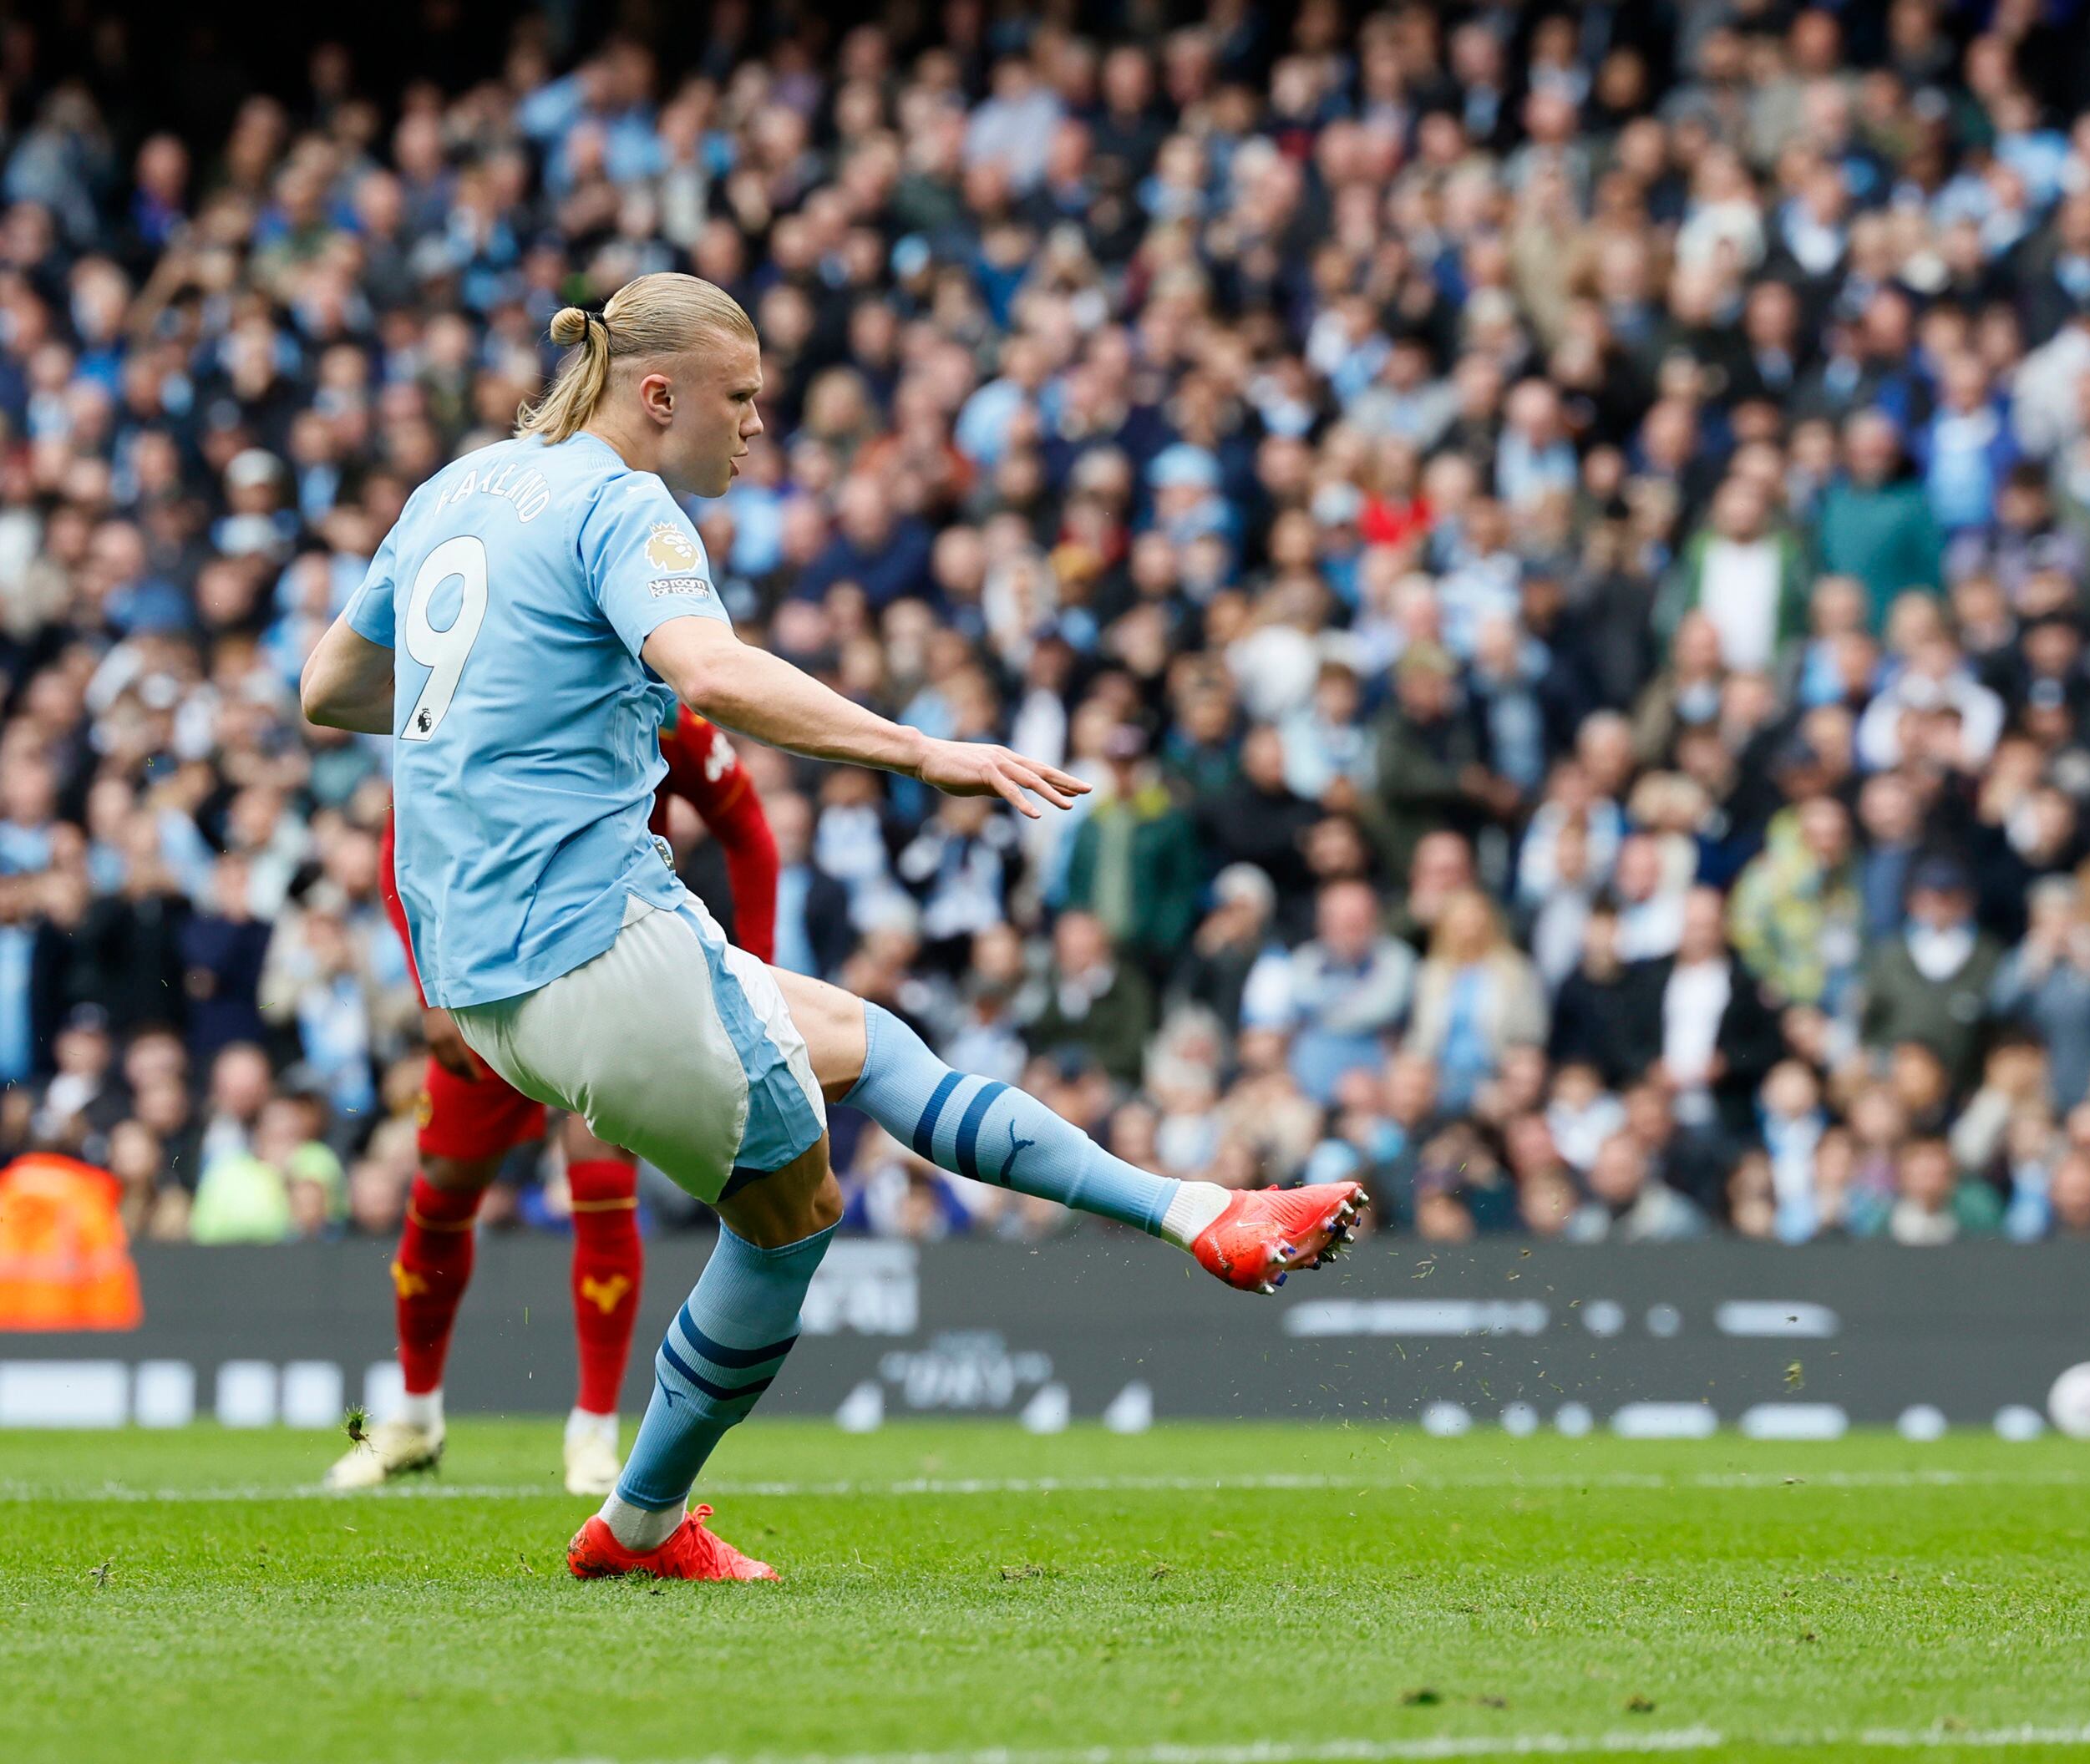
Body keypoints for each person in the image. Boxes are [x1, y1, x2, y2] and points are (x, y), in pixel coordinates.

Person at [299, 275, 1366, 1584]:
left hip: (482, 977)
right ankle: (637, 1526)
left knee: (875, 1048)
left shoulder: (456, 488)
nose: (755, 426)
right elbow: (714, 673)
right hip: (591, 943)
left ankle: (1204, 1212)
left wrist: (482, 720)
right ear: (657, 394)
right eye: (740, 399)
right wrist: (922, 750)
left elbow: (331, 687)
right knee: (794, 1220)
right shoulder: (625, 504)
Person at [327, 701, 779, 1498]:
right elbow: (405, 842)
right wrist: (429, 989)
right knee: (441, 1193)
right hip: (483, 980)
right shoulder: (477, 692)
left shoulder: (659, 710)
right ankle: (415, 1419)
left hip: (610, 969)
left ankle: (594, 1434)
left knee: (599, 1175)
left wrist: (760, 972)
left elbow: (751, 834)